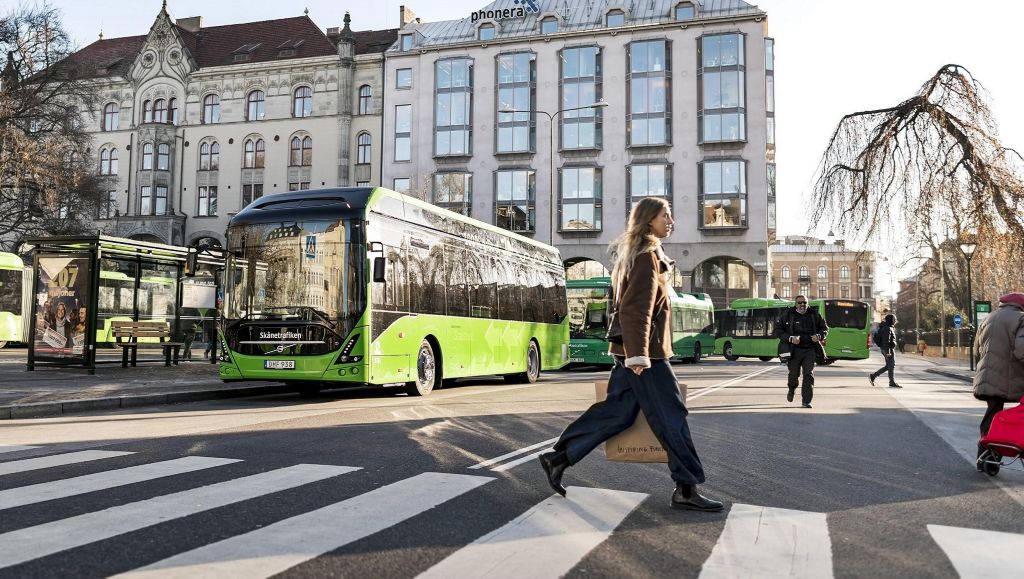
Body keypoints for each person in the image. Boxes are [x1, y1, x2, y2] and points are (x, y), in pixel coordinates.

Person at [538, 197, 722, 512]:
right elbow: (637, 310)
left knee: (618, 413)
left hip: (634, 353)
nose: (671, 220)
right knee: (672, 416)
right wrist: (638, 357)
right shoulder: (648, 257)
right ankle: (686, 488)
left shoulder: (642, 255)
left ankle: (559, 458)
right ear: (650, 220)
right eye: (666, 214)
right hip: (644, 355)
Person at [972, 293, 1024, 469]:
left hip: (987, 376)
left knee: (992, 414)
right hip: (1013, 378)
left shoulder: (988, 318)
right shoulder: (1021, 319)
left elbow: (976, 350)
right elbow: (1022, 350)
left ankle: (986, 458)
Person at [774, 295, 829, 408]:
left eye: (804, 302)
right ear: (796, 304)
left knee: (808, 374)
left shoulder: (814, 314)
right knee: (794, 375)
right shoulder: (788, 315)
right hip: (794, 350)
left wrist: (819, 336)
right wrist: (790, 339)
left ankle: (806, 401)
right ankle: (791, 388)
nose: (802, 305)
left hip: (810, 350)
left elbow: (824, 329)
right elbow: (777, 330)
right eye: (800, 303)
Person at [869, 314, 901, 388]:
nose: (895, 321)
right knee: (891, 366)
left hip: (887, 349)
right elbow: (885, 341)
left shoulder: (887, 327)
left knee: (888, 366)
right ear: (890, 320)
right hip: (888, 349)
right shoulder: (887, 328)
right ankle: (891, 382)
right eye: (894, 319)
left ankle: (873, 376)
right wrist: (887, 352)